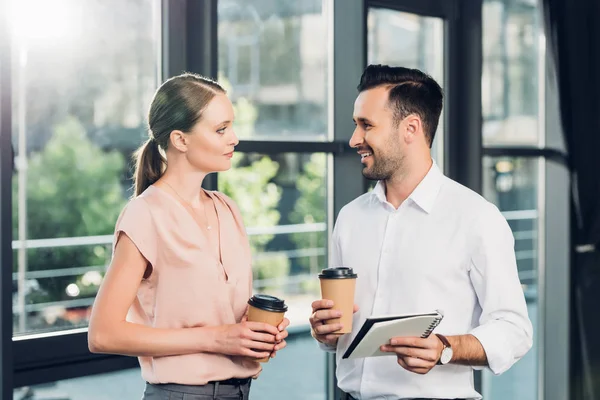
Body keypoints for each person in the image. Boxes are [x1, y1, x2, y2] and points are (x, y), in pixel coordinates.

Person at [309, 65, 533, 400]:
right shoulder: (350, 217)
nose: (355, 139)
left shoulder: (477, 218)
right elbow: (340, 333)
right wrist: (325, 333)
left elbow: (514, 330)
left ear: (410, 127)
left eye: (366, 125)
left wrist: (445, 347)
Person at [88, 73, 289, 400]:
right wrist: (217, 339)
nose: (234, 138)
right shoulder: (146, 214)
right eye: (221, 129)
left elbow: (226, 318)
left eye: (232, 126)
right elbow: (103, 334)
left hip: (240, 392)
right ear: (180, 140)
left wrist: (259, 333)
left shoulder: (227, 209)